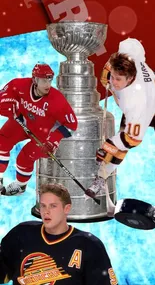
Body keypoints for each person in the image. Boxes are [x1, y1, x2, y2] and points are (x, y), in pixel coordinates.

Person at [0, 183, 118, 285]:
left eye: (53, 206)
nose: (46, 211)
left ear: (66, 209)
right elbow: (3, 275)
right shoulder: (21, 233)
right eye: (43, 206)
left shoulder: (89, 245)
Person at [86, 38, 155, 197]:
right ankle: (101, 179)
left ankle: (101, 176)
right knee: (116, 148)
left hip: (150, 110)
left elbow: (132, 140)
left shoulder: (135, 104)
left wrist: (108, 146)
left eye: (118, 80)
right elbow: (130, 45)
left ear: (130, 79)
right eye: (113, 77)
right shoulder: (129, 56)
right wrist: (107, 74)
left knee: (122, 146)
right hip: (146, 98)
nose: (113, 82)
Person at [0, 63, 78, 196]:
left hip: (43, 135)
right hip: (22, 121)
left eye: (49, 80)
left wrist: (53, 141)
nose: (47, 84)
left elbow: (72, 125)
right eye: (43, 80)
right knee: (2, 142)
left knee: (24, 157)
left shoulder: (57, 100)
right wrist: (5, 107)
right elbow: (3, 97)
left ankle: (20, 186)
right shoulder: (18, 85)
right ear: (35, 79)